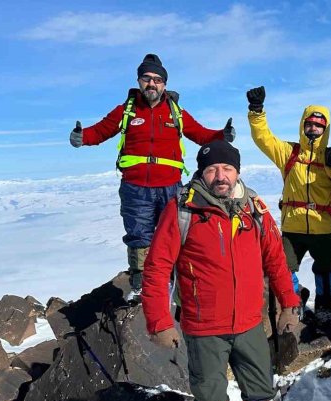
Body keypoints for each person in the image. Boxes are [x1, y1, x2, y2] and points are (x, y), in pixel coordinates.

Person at [141, 140, 300, 401]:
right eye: (212, 169)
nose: (220, 176)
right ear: (201, 173)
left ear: (237, 171)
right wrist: (159, 321)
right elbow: (157, 269)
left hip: (249, 323)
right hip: (204, 326)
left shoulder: (254, 210)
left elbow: (276, 259)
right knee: (211, 400)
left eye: (227, 168)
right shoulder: (183, 209)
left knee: (259, 391)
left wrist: (289, 304)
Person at [70, 53, 235, 302]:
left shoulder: (175, 112)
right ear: (139, 81)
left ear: (164, 84)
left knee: (174, 234)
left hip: (170, 187)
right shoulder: (126, 110)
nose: (152, 84)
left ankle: (176, 281)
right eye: (147, 78)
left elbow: (200, 134)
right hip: (135, 187)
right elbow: (102, 130)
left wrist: (222, 134)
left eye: (157, 79)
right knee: (139, 235)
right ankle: (141, 285)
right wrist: (83, 137)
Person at [246, 86, 331, 323]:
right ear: (303, 125)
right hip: (293, 227)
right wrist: (256, 111)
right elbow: (263, 138)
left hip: (324, 228)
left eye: (319, 125)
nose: (313, 129)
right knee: (285, 268)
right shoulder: (289, 153)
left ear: (326, 129)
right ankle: (293, 302)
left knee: (324, 269)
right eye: (309, 124)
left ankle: (323, 306)